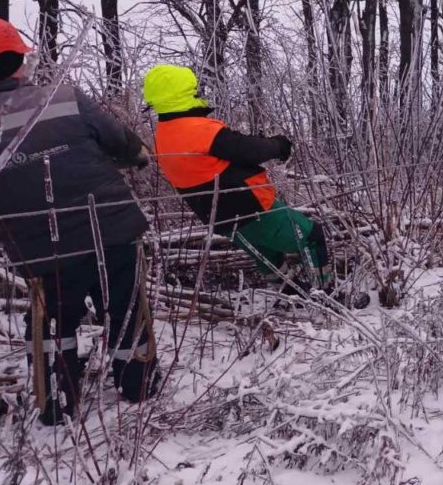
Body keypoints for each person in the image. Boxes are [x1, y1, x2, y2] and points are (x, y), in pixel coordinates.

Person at [0, 17, 159, 425]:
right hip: (112, 228)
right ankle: (138, 382)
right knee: (126, 307)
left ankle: (57, 400)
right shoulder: (64, 97)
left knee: (54, 317)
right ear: (16, 61)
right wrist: (136, 156)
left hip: (39, 248)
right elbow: (124, 145)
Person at [141, 65, 367, 307]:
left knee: (268, 254)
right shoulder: (197, 130)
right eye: (192, 88)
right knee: (312, 235)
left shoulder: (162, 136)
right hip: (254, 208)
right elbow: (250, 150)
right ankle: (328, 295)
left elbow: (222, 156)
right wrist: (279, 144)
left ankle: (288, 297)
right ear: (182, 93)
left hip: (219, 219)